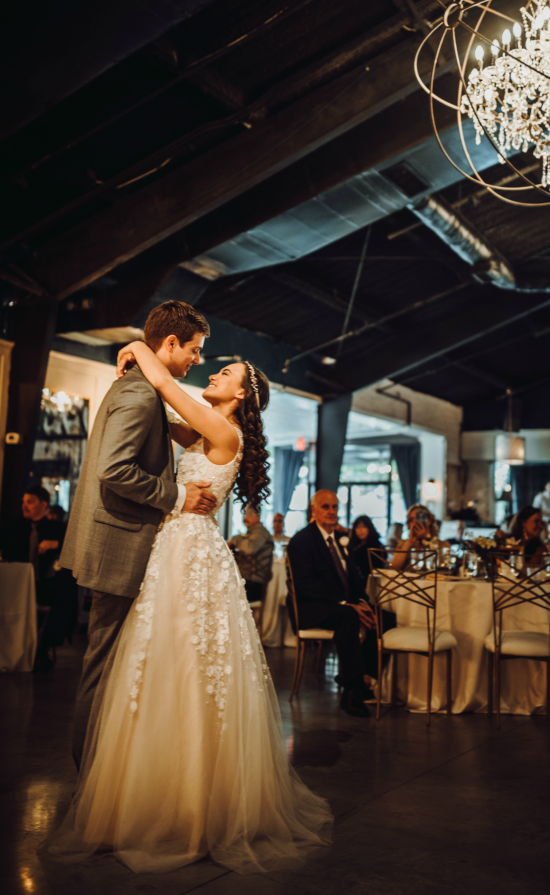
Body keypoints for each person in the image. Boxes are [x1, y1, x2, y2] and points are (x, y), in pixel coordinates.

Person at [42, 340, 331, 874]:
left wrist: (136, 346)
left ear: (243, 395)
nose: (214, 374)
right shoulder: (199, 429)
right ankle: (153, 790)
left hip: (190, 550)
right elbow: (159, 413)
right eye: (213, 366)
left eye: (225, 372)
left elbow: (168, 388)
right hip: (172, 546)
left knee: (190, 664)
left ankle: (192, 805)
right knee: (159, 662)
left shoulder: (225, 430)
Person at [58, 301, 217, 769]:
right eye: (194, 349)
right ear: (170, 344)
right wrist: (177, 496)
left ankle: (109, 768)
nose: (196, 360)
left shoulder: (143, 388)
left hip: (124, 544)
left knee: (115, 661)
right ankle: (89, 772)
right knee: (103, 664)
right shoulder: (141, 394)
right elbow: (113, 469)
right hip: (118, 545)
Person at [287, 490, 376, 718]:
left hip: (338, 606)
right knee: (347, 615)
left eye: (334, 507)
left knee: (382, 616)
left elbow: (352, 580)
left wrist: (362, 602)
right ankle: (352, 690)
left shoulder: (339, 540)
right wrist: (347, 604)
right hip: (311, 608)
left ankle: (368, 679)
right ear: (314, 510)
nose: (331, 512)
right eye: (325, 507)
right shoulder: (302, 541)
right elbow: (306, 585)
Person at [0, 485, 72, 672]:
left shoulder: (57, 528)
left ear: (43, 505)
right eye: (23, 502)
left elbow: (74, 547)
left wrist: (56, 544)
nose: (24, 506)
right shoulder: (14, 526)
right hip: (14, 588)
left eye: (30, 502)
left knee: (65, 596)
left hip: (41, 585)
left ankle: (43, 650)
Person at [261, 514, 295, 648]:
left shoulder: (288, 540)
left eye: (280, 521)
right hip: (271, 573)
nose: (277, 523)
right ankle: (269, 630)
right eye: (275, 521)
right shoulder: (268, 540)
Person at [229, 506, 274, 602]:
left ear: (258, 516)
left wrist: (235, 540)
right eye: (244, 513)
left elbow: (250, 548)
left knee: (222, 593)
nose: (245, 517)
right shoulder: (250, 533)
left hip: (253, 585)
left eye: (249, 513)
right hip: (245, 581)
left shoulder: (261, 532)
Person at [390, 504, 447, 571]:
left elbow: (442, 568)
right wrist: (409, 543)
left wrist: (427, 538)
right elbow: (392, 568)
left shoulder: (443, 545)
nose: (414, 522)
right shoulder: (403, 544)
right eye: (411, 519)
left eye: (418, 518)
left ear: (429, 521)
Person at [348, 515, 386, 583]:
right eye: (357, 527)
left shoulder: (376, 546)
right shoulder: (353, 544)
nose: (360, 530)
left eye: (363, 526)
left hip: (371, 583)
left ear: (369, 528)